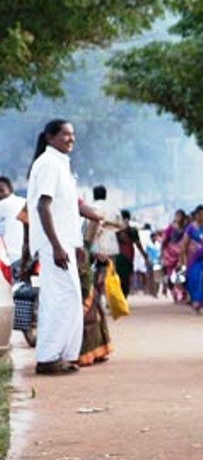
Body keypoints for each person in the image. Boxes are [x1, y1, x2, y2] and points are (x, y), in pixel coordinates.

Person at [26, 119, 102, 375]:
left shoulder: (61, 165)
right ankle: (48, 357)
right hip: (53, 244)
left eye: (73, 134)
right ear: (50, 137)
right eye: (66, 134)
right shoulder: (48, 164)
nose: (71, 139)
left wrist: (76, 243)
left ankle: (63, 355)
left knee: (69, 298)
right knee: (59, 299)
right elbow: (43, 207)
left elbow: (68, 210)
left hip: (65, 243)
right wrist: (57, 246)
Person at [80, 185, 122, 366]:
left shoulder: (90, 207)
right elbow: (120, 225)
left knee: (96, 289)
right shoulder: (111, 208)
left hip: (93, 249)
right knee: (101, 284)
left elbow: (88, 233)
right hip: (105, 248)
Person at [114, 209, 149, 296]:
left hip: (124, 257)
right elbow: (138, 245)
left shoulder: (129, 231)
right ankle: (121, 296)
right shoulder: (118, 230)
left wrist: (145, 256)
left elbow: (138, 244)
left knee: (123, 278)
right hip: (122, 256)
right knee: (121, 278)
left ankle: (122, 296)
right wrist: (145, 256)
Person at [0, 175, 27, 279]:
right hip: (28, 257)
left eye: (1, 191)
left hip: (11, 259)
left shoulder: (3, 205)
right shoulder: (24, 202)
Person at [160, 209, 189, 301]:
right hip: (170, 254)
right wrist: (162, 253)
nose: (178, 218)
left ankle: (180, 292)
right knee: (170, 274)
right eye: (177, 216)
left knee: (180, 272)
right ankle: (173, 290)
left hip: (181, 253)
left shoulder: (186, 228)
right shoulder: (170, 228)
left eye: (180, 216)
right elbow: (164, 240)